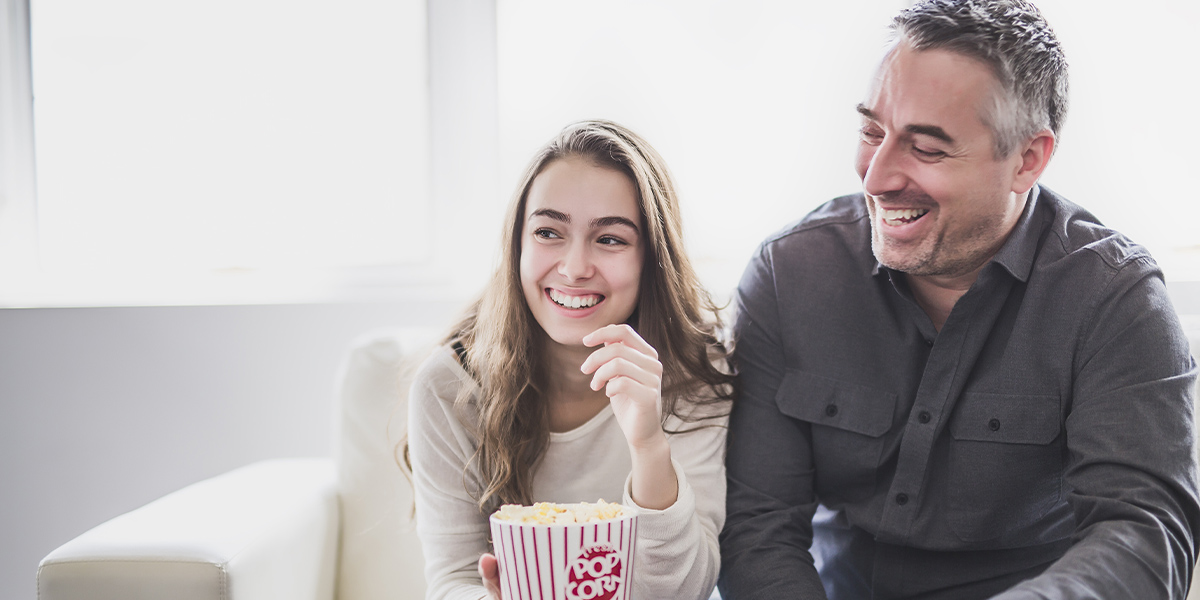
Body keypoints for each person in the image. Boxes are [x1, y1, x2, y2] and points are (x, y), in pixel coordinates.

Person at [718, 1, 1200, 598]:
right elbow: (757, 523)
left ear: (1027, 159)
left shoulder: (1114, 300)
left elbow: (1146, 533)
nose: (876, 178)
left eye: (927, 148)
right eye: (872, 132)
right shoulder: (790, 272)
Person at [407, 119, 734, 600]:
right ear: (516, 244)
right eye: (547, 232)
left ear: (651, 258)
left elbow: (685, 591)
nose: (575, 267)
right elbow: (454, 580)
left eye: (610, 239)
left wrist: (647, 445)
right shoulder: (450, 387)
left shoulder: (694, 373)